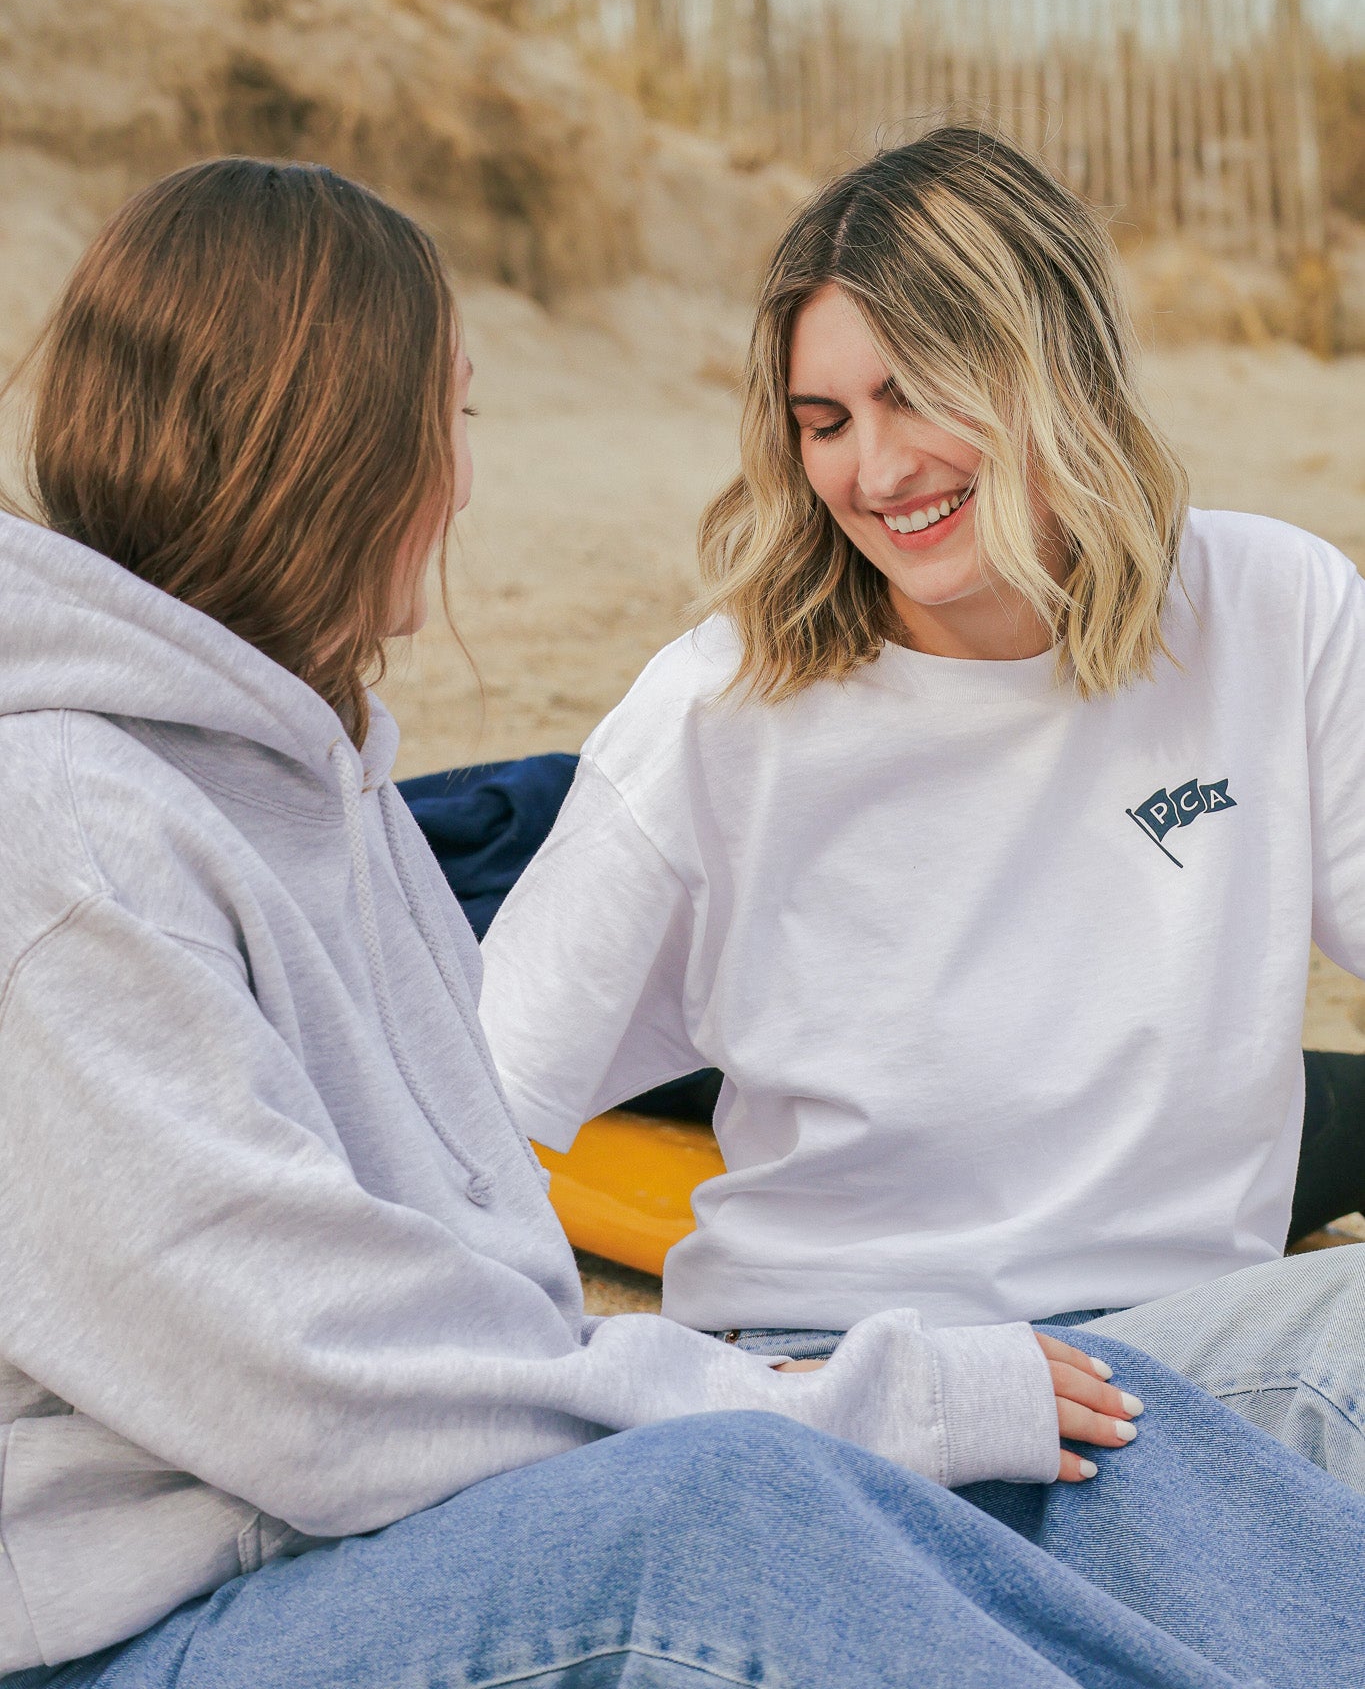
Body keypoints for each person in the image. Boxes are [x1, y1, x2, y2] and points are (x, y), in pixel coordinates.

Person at [17, 156, 1363, 1689]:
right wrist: (837, 1400)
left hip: (413, 1515)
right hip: (166, 1613)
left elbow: (449, 1234)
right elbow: (333, 1389)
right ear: (325, 447)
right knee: (737, 1509)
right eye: (445, 422)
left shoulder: (325, 780)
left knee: (1129, 1448)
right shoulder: (60, 840)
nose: (462, 482)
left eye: (913, 394)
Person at [478, 126, 1365, 1495]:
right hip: (849, 1378)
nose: (875, 473)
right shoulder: (717, 709)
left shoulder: (1275, 611)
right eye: (823, 422)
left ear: (1046, 366)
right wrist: (744, 1395)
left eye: (912, 397)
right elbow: (463, 1110)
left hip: (1175, 1367)